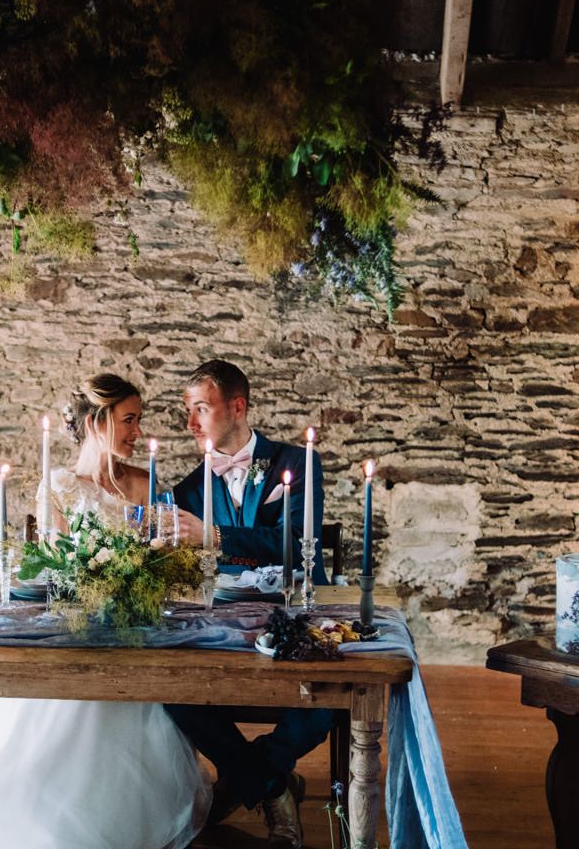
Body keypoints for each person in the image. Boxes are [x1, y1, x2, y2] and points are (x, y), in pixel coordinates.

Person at [0, 373, 211, 849]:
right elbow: (54, 569)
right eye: (128, 420)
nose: (137, 431)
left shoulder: (145, 483)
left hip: (132, 628)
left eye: (138, 420)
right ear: (95, 423)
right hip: (74, 627)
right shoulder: (59, 485)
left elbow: (161, 559)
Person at [166, 359, 333, 849]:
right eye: (188, 411)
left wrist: (214, 536)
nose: (191, 423)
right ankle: (273, 786)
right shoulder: (189, 488)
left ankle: (244, 780)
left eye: (201, 408)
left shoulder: (297, 463)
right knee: (171, 691)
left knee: (326, 698)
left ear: (237, 407)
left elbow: (296, 541)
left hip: (299, 617)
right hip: (224, 625)